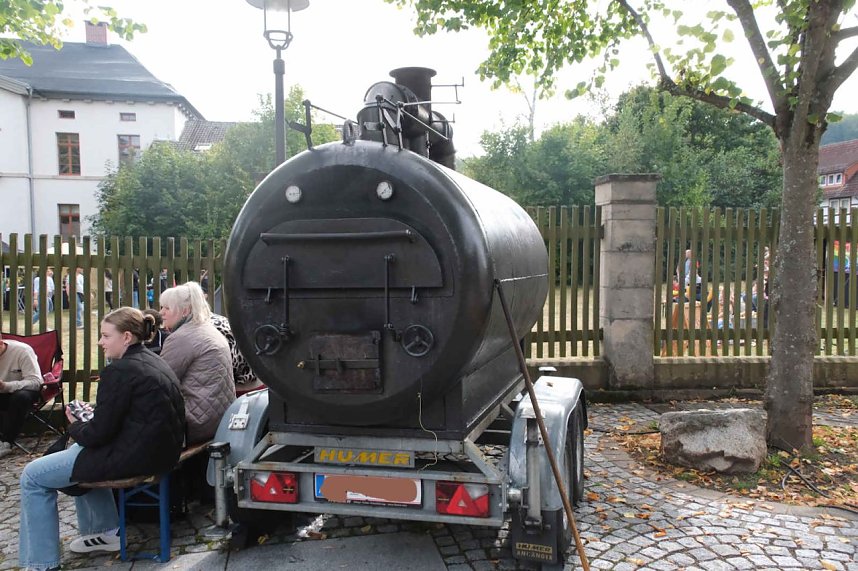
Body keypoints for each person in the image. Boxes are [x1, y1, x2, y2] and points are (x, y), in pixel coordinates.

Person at [17, 308, 185, 570]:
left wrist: (75, 424)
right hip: (157, 451)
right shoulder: (153, 359)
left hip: (135, 456)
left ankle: (41, 564)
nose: (100, 342)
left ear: (126, 337)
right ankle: (105, 531)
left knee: (32, 477)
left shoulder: (120, 371)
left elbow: (98, 434)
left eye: (106, 336)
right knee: (74, 458)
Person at [159, 281, 234, 444]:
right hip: (219, 417)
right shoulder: (208, 329)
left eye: (166, 308)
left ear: (184, 311)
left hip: (195, 422)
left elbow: (158, 382)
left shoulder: (181, 338)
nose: (161, 313)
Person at [0, 331, 42, 458]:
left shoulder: (22, 351)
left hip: (20, 393)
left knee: (21, 397)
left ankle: (6, 442)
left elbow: (36, 382)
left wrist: (6, 386)